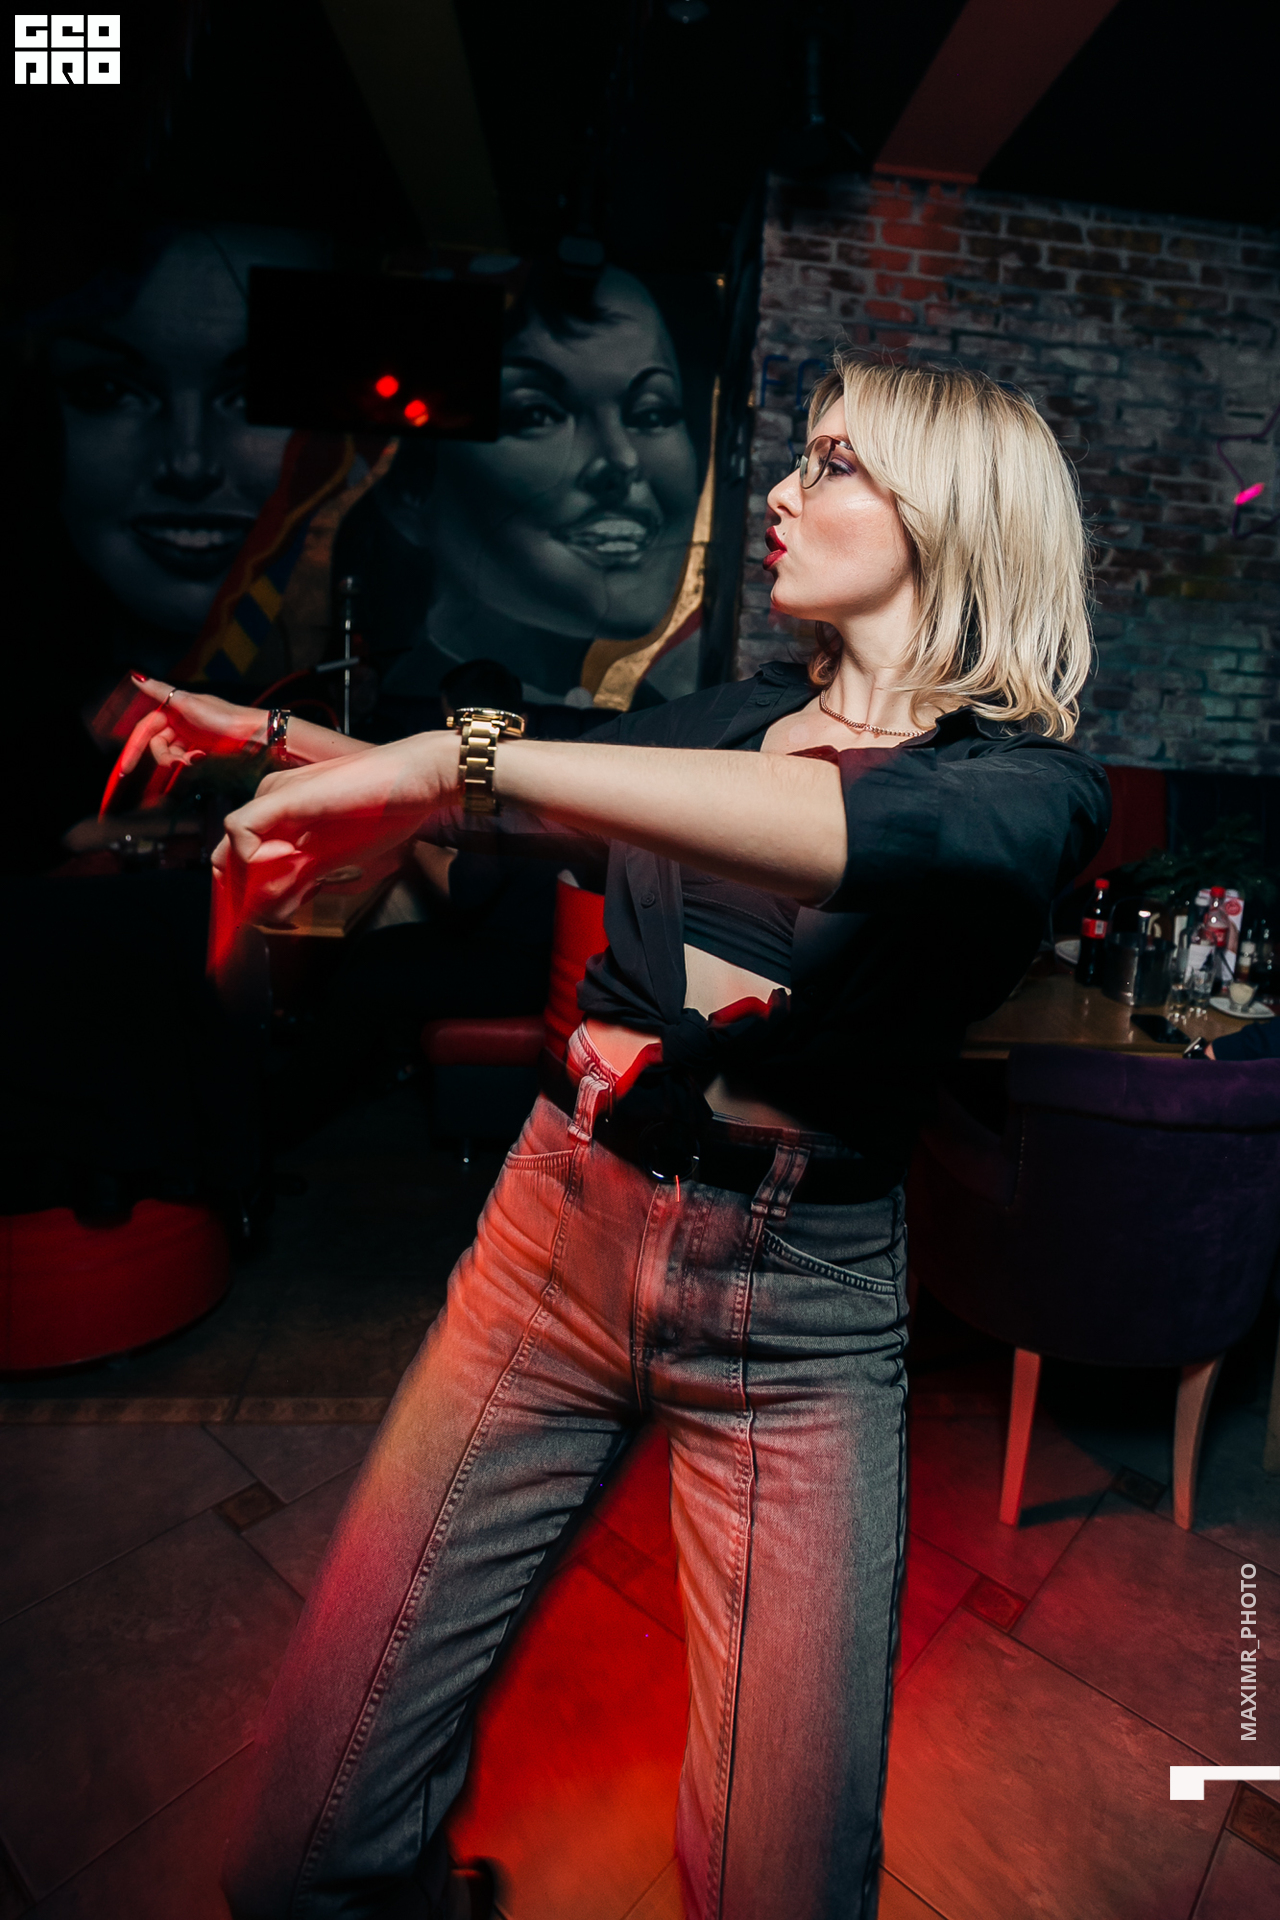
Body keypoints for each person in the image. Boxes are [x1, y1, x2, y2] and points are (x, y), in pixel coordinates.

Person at [131, 356, 1109, 1920]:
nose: (780, 490)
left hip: (798, 1322)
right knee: (300, 1850)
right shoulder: (724, 722)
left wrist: (461, 761)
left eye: (833, 463)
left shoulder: (1029, 788)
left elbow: (871, 837)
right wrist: (266, 734)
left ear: (950, 515)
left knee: (786, 1885)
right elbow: (520, 783)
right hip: (554, 1246)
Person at [348, 261, 713, 708]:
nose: (622, 459)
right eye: (536, 414)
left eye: (652, 412)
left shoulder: (663, 722)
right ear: (412, 488)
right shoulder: (397, 727)